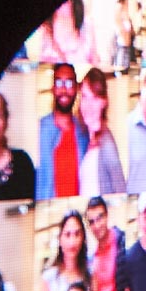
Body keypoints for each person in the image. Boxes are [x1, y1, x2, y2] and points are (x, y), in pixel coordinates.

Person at [35, 63, 86, 199]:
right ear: (53, 88)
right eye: (59, 83)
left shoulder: (83, 131)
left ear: (76, 88)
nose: (64, 90)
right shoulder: (39, 130)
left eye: (69, 83)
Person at [40, 210, 92, 291]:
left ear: (83, 238)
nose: (72, 241)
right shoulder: (49, 278)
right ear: (60, 239)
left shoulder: (90, 276)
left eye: (77, 234)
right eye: (67, 234)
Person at [76, 68, 125, 195]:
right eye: (85, 97)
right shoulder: (84, 137)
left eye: (95, 98)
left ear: (104, 102)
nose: (88, 105)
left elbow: (120, 189)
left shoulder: (107, 144)